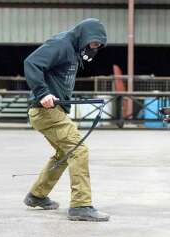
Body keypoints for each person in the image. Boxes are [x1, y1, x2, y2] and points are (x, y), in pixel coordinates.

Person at [23, 18, 109, 222]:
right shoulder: (61, 44)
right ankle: (81, 206)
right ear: (85, 36)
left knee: (64, 152)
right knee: (78, 149)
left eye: (97, 46)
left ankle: (37, 195)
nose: (94, 49)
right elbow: (31, 63)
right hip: (46, 111)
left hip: (54, 111)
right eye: (93, 44)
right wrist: (43, 93)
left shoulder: (73, 49)